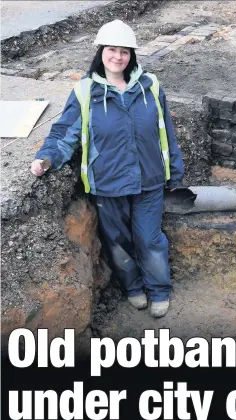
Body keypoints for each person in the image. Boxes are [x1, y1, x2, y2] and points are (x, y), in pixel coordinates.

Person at [31, 20, 184, 318]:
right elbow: (65, 133)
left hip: (149, 179)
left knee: (150, 237)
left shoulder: (150, 87)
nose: (118, 57)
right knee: (118, 241)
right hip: (108, 183)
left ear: (132, 55)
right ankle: (133, 288)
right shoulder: (86, 92)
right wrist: (46, 158)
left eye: (124, 51)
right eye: (112, 50)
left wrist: (174, 171)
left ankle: (159, 290)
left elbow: (167, 131)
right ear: (101, 52)